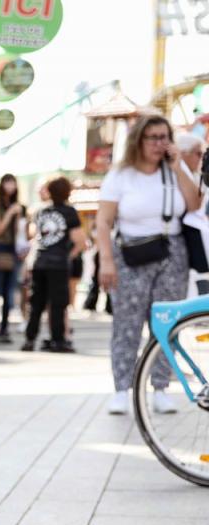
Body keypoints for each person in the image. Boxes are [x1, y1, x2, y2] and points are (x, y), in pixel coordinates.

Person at [97, 114, 204, 415]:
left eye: (164, 137)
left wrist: (177, 167)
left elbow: (195, 204)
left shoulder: (174, 169)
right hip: (131, 254)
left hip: (172, 252)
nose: (159, 144)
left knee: (167, 323)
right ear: (139, 141)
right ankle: (122, 388)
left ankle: (160, 387)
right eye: (153, 138)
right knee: (126, 323)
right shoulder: (121, 175)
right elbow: (104, 222)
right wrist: (106, 261)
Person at [22, 176, 86, 353]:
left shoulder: (41, 211)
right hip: (58, 263)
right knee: (58, 304)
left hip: (39, 261)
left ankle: (30, 338)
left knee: (37, 303)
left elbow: (33, 235)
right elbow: (80, 240)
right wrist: (69, 255)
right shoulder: (69, 212)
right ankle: (58, 340)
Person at [0, 174, 25, 343]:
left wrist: (16, 215)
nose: (10, 186)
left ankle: (4, 329)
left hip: (12, 250)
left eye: (13, 182)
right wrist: (11, 213)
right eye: (7, 182)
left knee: (8, 292)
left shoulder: (16, 206)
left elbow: (17, 232)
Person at [176, 132, 209, 293]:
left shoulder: (192, 174)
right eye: (198, 153)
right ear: (183, 153)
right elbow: (195, 204)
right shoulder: (178, 170)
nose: (201, 157)